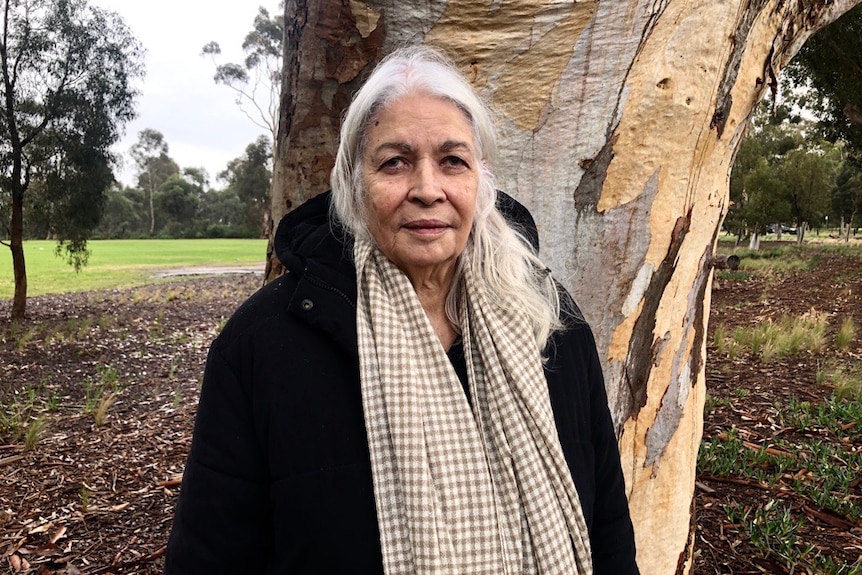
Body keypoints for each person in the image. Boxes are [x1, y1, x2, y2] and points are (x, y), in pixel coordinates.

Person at [164, 46, 638, 575]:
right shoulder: (263, 345)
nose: (428, 190)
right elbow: (211, 556)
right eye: (395, 162)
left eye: (452, 161)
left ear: (480, 179)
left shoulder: (549, 320)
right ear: (352, 182)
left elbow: (609, 527)